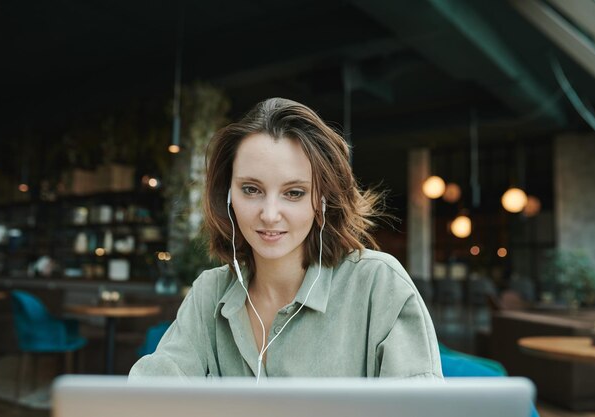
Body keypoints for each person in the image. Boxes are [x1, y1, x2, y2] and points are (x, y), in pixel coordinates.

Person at [129, 98, 442, 380]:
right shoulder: (209, 294)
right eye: (251, 189)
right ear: (228, 197)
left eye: (294, 193)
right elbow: (151, 394)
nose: (269, 214)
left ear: (322, 201)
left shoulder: (378, 286)